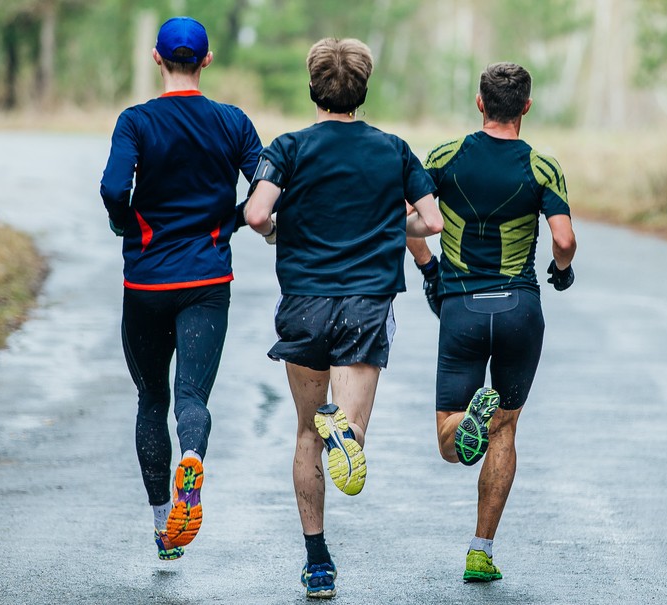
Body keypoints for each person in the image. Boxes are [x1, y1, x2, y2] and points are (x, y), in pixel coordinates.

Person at [244, 38, 443, 598]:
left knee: (306, 431)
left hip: (305, 303)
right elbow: (433, 224)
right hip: (365, 303)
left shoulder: (288, 147)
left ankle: (317, 562)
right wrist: (386, 225)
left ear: (314, 88)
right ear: (363, 89)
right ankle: (345, 430)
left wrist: (280, 231)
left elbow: (258, 213)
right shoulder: (394, 149)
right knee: (348, 433)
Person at [99, 16, 262, 561]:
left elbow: (112, 186)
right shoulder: (233, 121)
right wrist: (233, 220)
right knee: (192, 397)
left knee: (151, 398)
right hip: (207, 282)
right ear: (207, 61)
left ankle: (160, 527)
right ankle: (193, 456)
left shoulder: (136, 121)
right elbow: (268, 182)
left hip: (145, 281)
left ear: (156, 58)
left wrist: (127, 224)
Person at [408, 61, 576, 582]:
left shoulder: (442, 157)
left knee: (448, 439)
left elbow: (402, 217)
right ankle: (480, 551)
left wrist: (428, 266)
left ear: (480, 103)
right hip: (519, 307)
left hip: (462, 306)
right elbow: (565, 241)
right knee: (506, 427)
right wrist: (562, 272)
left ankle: (466, 421)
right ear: (526, 106)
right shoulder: (542, 167)